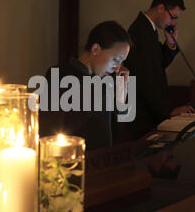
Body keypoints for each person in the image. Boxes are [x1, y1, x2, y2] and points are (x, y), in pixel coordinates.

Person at [39, 21, 132, 150]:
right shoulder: (59, 75)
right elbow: (51, 131)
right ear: (95, 49)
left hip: (102, 161)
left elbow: (115, 131)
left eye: (121, 62)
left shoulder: (106, 79)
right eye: (116, 60)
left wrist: (122, 90)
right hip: (72, 161)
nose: (118, 68)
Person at [123, 0, 195, 139]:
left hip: (148, 110)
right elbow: (146, 79)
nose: (173, 22)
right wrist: (168, 111)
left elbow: (157, 65)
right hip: (142, 114)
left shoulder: (149, 29)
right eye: (172, 16)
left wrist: (169, 43)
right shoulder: (141, 31)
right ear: (161, 8)